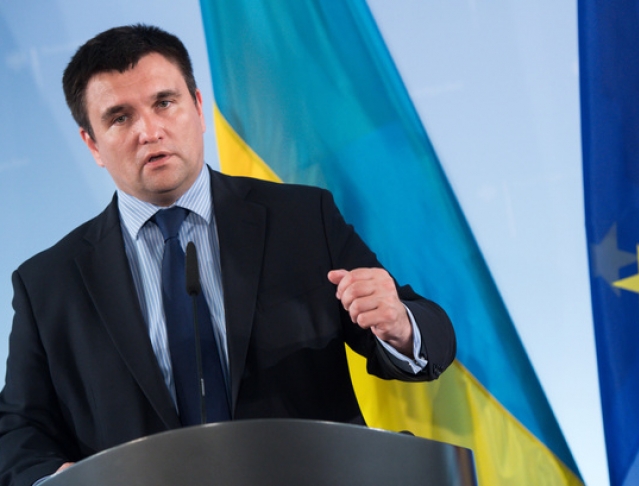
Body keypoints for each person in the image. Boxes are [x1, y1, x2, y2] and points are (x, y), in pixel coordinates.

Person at [0, 24, 455, 485]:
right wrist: (60, 478)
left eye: (164, 103)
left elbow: (432, 336)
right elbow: (18, 428)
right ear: (92, 144)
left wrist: (400, 325)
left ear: (198, 108)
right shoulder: (48, 284)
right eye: (120, 118)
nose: (149, 131)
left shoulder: (301, 219)